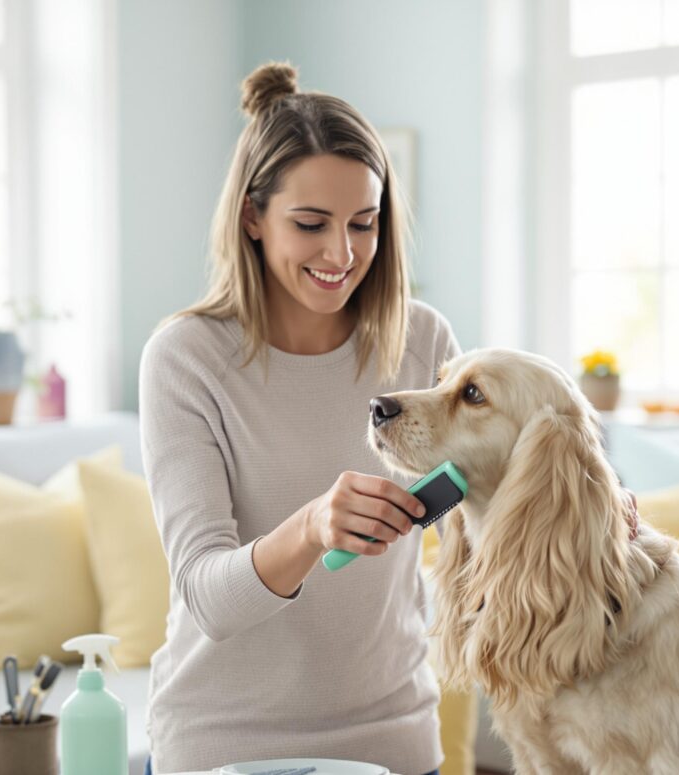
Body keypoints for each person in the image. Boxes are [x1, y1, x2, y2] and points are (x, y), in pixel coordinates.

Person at [138, 61, 457, 775]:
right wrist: (314, 527)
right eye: (310, 224)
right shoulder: (185, 358)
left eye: (364, 224)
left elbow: (486, 511)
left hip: (395, 741)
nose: (341, 254)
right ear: (252, 215)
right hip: (224, 747)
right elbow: (208, 597)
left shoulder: (425, 342)